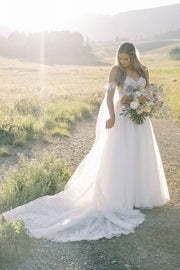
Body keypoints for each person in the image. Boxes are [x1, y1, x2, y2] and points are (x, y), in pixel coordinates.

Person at [2, 42, 170, 242]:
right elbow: (109, 95)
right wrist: (112, 116)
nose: (123, 62)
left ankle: (138, 195)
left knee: (139, 153)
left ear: (133, 57)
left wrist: (147, 105)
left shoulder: (144, 70)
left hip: (140, 119)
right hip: (122, 116)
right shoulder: (116, 70)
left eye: (126, 59)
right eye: (120, 58)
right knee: (121, 154)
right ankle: (119, 196)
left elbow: (147, 91)